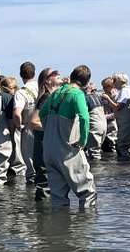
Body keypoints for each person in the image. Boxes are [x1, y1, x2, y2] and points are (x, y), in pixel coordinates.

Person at [39, 65, 97, 210]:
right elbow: (84, 118)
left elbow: (42, 114)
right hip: (67, 150)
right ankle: (84, 230)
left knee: (58, 197)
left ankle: (60, 230)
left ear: (71, 76)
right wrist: (83, 141)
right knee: (87, 193)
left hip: (49, 151)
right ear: (85, 82)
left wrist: (50, 132)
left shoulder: (55, 93)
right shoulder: (77, 94)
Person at [29, 67, 62, 201]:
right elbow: (34, 122)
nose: (58, 73)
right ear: (47, 81)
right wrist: (54, 129)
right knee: (44, 182)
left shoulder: (53, 96)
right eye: (54, 73)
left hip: (48, 144)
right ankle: (43, 216)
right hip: (43, 145)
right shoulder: (46, 97)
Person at [13, 61, 38, 183]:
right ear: (34, 73)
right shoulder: (43, 88)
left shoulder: (21, 92)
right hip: (44, 127)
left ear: (20, 74)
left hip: (29, 128)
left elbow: (17, 113)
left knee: (31, 165)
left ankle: (31, 196)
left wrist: (19, 126)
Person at [103, 73, 130, 160]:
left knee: (121, 145)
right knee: (128, 145)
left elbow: (118, 107)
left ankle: (124, 166)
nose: (113, 83)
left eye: (115, 81)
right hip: (128, 121)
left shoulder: (124, 91)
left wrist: (108, 99)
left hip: (126, 121)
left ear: (121, 81)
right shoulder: (129, 89)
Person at [100, 77, 118, 153]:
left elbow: (117, 111)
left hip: (112, 122)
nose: (103, 88)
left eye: (105, 86)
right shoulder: (103, 96)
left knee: (111, 142)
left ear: (111, 86)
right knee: (104, 143)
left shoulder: (116, 96)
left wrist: (105, 117)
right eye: (103, 87)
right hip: (104, 122)